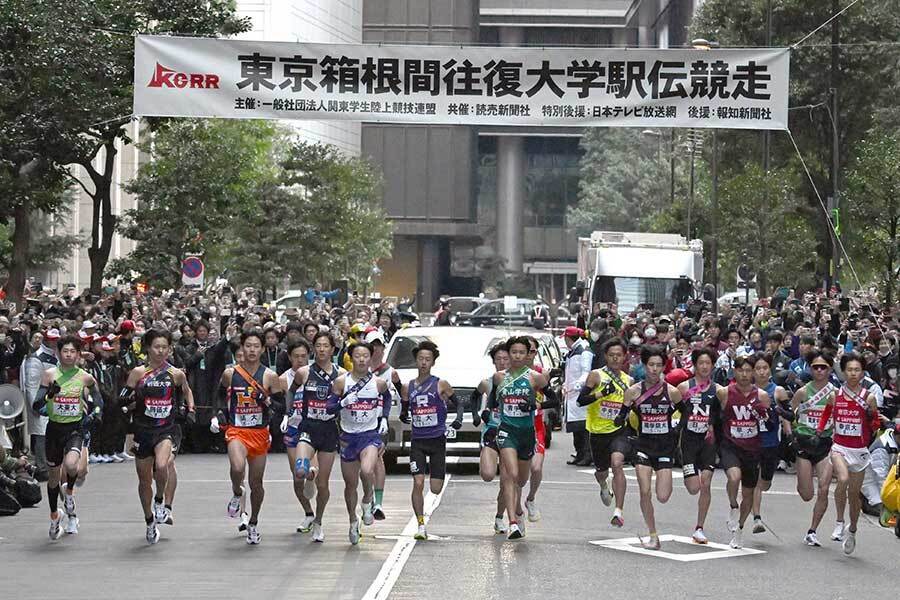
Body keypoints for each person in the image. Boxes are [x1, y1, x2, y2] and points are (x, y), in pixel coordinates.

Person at [211, 329, 286, 545]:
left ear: (263, 349)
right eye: (248, 346)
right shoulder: (230, 373)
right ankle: (236, 493)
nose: (252, 350)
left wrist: (268, 401)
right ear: (241, 348)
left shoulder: (270, 376)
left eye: (256, 346)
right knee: (236, 467)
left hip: (259, 433)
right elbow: (218, 394)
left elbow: (282, 405)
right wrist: (218, 415)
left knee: (256, 483)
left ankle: (253, 521)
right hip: (236, 430)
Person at [120, 329, 195, 544]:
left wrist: (190, 409)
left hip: (166, 428)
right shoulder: (138, 373)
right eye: (156, 347)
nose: (160, 351)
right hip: (143, 429)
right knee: (144, 480)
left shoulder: (176, 373)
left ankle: (160, 500)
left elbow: (187, 391)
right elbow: (124, 396)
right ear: (148, 348)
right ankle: (149, 520)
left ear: (170, 348)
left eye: (164, 347)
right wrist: (126, 401)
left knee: (162, 466)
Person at [32, 335, 104, 539]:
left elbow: (98, 401)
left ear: (79, 354)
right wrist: (49, 396)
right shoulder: (49, 375)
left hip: (75, 429)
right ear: (58, 353)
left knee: (72, 466)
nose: (69, 355)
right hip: (54, 429)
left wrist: (96, 414)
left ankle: (70, 492)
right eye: (66, 351)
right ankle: (55, 516)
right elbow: (36, 405)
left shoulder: (85, 378)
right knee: (54, 477)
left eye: (73, 351)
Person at [616, 345, 682, 549]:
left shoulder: (672, 392)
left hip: (664, 448)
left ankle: (653, 532)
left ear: (664, 367)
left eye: (659, 365)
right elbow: (621, 417)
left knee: (662, 496)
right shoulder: (633, 391)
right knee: (645, 491)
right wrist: (622, 423)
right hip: (643, 445)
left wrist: (675, 427)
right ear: (644, 366)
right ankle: (653, 534)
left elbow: (685, 415)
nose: (654, 369)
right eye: (651, 365)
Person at [326, 341, 392, 545]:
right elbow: (329, 408)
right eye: (357, 356)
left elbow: (387, 398)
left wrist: (384, 418)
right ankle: (353, 520)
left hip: (369, 435)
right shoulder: (340, 382)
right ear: (351, 358)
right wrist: (342, 403)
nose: (362, 359)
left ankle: (367, 499)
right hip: (347, 437)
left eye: (365, 355)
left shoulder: (378, 382)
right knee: (350, 484)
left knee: (366, 470)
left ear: (371, 358)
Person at [815, 352, 879, 554]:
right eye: (849, 370)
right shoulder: (835, 395)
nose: (853, 373)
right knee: (842, 479)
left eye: (857, 370)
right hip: (839, 447)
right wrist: (819, 430)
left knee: (854, 495)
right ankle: (839, 521)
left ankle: (852, 529)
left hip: (859, 451)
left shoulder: (868, 397)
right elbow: (826, 413)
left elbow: (875, 424)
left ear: (862, 373)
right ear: (843, 372)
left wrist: (871, 417)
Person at [487, 336, 550, 540]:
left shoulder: (535, 378)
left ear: (527, 355)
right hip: (506, 431)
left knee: (521, 479)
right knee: (509, 475)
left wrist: (534, 406)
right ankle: (512, 522)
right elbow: (492, 401)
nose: (517, 356)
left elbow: (554, 400)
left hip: (526, 433)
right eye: (513, 352)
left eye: (521, 352)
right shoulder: (499, 377)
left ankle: (520, 512)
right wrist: (488, 414)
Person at [399, 340, 462, 540]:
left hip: (437, 442)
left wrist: (459, 419)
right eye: (421, 359)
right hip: (417, 441)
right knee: (418, 483)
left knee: (435, 488)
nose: (424, 363)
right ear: (416, 361)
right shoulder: (408, 386)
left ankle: (423, 520)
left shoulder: (440, 384)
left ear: (433, 362)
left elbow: (458, 402)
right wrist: (403, 415)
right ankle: (420, 525)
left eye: (428, 359)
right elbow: (404, 409)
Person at [286, 332, 344, 543]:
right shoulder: (304, 372)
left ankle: (318, 520)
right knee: (299, 469)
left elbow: (346, 402)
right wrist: (289, 412)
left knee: (323, 484)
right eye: (318, 345)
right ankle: (308, 473)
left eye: (325, 345)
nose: (321, 349)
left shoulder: (341, 374)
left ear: (332, 349)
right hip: (308, 426)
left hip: (329, 430)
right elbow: (291, 392)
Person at [716, 355, 772, 549]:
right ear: (734, 372)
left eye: (749, 371)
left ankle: (739, 530)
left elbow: (768, 423)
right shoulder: (724, 393)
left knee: (748, 494)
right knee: (734, 477)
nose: (745, 374)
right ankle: (732, 504)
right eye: (741, 370)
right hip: (730, 444)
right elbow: (716, 417)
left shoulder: (762, 396)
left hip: (752, 448)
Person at [577, 338, 634, 528]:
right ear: (605, 357)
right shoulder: (596, 376)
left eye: (619, 355)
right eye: (611, 355)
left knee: (617, 463)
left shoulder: (629, 380)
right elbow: (580, 400)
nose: (615, 358)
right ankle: (603, 486)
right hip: (597, 431)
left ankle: (619, 511)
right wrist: (601, 394)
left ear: (624, 357)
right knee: (601, 472)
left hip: (619, 430)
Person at [790, 348, 836, 546]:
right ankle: (802, 481)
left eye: (823, 367)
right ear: (810, 369)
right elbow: (791, 413)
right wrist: (793, 428)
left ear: (830, 369)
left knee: (824, 490)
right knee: (807, 494)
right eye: (815, 367)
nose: (819, 371)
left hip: (825, 444)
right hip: (804, 444)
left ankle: (812, 530)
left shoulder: (834, 393)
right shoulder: (802, 391)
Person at [676, 347, 720, 544]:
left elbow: (722, 416)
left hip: (708, 442)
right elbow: (674, 412)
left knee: (706, 483)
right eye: (701, 363)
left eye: (708, 363)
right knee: (693, 487)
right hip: (688, 442)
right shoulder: (684, 388)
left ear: (712, 366)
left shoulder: (719, 390)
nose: (704, 367)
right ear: (694, 365)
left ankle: (699, 527)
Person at [279, 338, 318, 535]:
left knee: (316, 474)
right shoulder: (283, 379)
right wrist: (283, 415)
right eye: (296, 356)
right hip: (293, 429)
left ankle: (318, 518)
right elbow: (276, 402)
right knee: (297, 476)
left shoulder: (316, 374)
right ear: (289, 357)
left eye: (304, 356)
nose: (300, 360)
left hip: (313, 428)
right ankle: (308, 513)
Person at [475, 342, 511, 534]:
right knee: (488, 475)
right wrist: (479, 414)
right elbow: (474, 396)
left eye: (506, 359)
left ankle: (499, 517)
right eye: (498, 359)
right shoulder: (487, 382)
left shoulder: (518, 381)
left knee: (507, 480)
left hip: (511, 433)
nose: (502, 362)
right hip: (491, 431)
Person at [368, 330, 401, 521]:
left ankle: (378, 502)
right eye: (372, 346)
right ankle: (368, 498)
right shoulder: (357, 371)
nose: (375, 350)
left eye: (379, 346)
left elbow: (400, 395)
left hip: (380, 422)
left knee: (377, 457)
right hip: (360, 422)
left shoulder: (391, 373)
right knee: (364, 465)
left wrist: (394, 416)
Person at [562, 327, 593, 466]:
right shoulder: (574, 350)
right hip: (571, 393)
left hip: (579, 393)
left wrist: (577, 386)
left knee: (583, 427)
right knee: (576, 427)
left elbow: (586, 372)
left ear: (568, 338)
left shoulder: (584, 350)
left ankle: (586, 454)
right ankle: (579, 453)